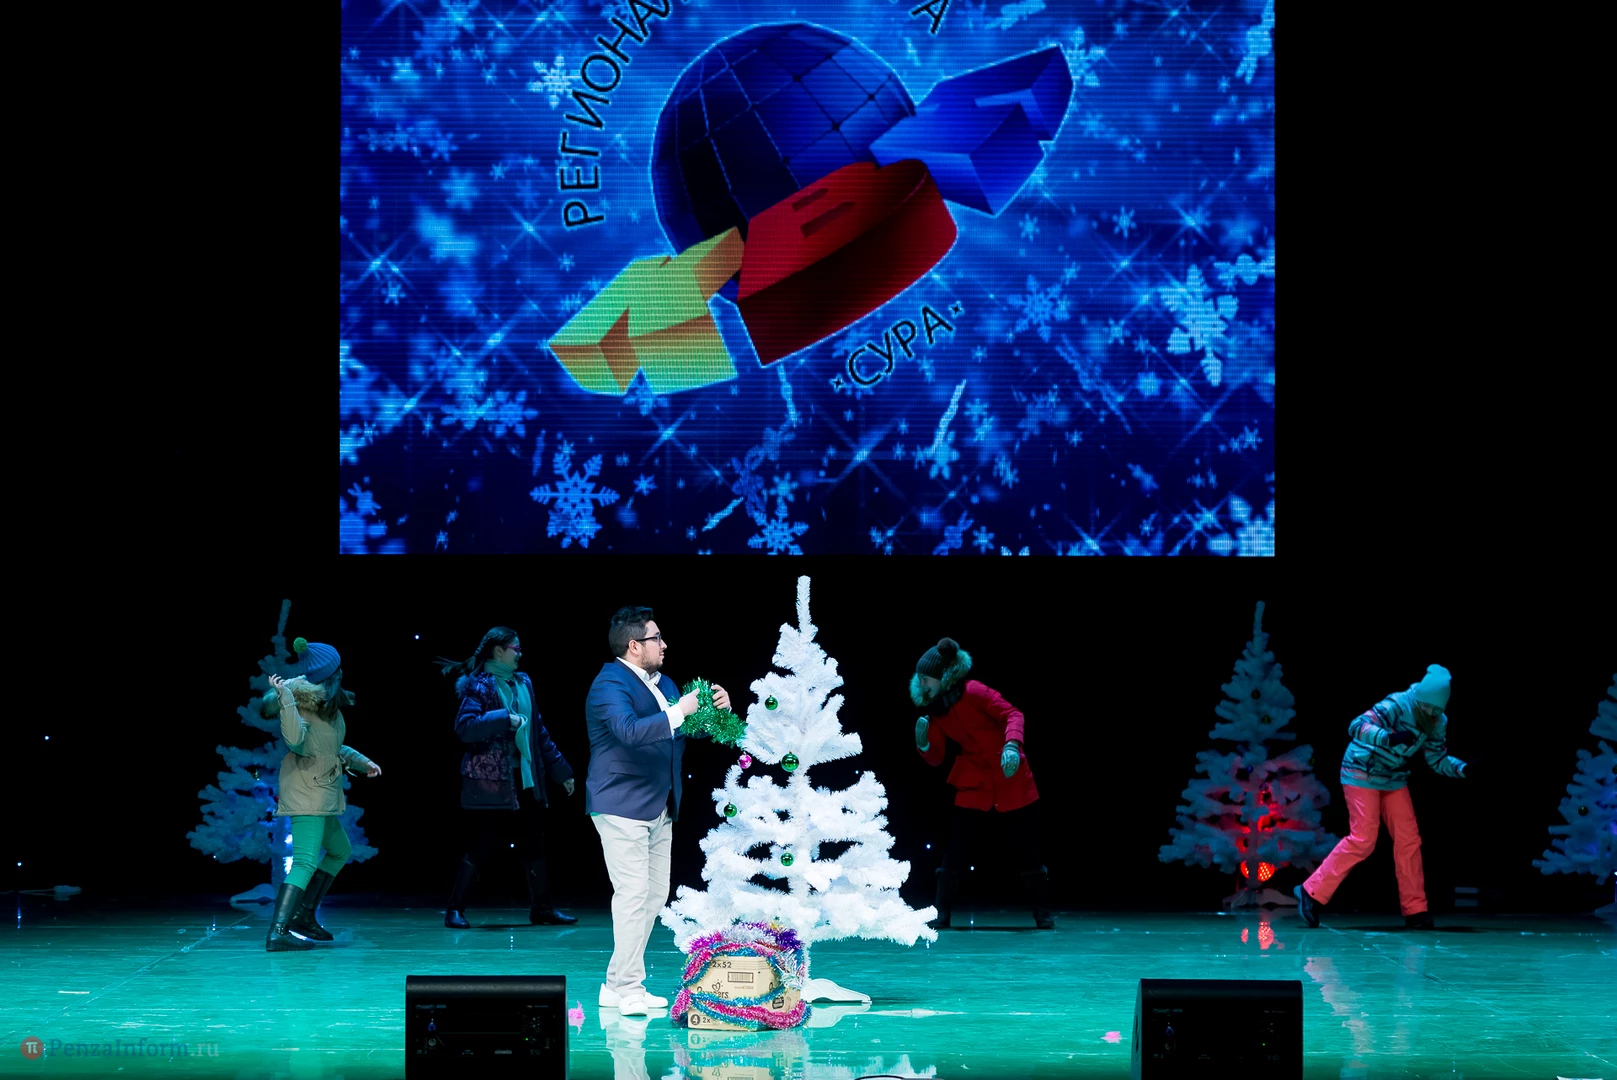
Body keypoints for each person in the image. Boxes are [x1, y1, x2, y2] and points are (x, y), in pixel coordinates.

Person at [585, 606, 732, 1017]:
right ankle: (631, 987)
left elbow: (678, 729)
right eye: (656, 638)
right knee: (633, 895)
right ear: (634, 646)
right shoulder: (609, 683)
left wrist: (713, 713)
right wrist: (680, 710)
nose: (664, 645)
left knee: (652, 896)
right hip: (620, 803)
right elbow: (630, 732)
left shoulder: (663, 683)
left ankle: (616, 984)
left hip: (659, 804)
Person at [1295, 664, 1470, 930]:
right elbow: (1356, 726)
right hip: (1361, 770)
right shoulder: (1398, 704)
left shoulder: (1438, 721)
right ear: (1420, 698)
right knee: (1364, 839)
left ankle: (1416, 910)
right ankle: (1310, 891)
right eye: (1427, 707)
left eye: (1436, 710)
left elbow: (1437, 758)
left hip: (1392, 777)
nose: (1430, 714)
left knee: (1409, 839)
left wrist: (1462, 769)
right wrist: (1388, 737)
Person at [439, 627, 577, 928]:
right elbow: (465, 727)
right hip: (491, 782)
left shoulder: (523, 682)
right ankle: (454, 910)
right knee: (481, 845)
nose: (520, 653)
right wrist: (504, 718)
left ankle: (542, 909)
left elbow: (539, 732)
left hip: (524, 779)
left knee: (535, 843)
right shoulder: (480, 685)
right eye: (515, 648)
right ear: (498, 651)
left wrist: (562, 772)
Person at [911, 637, 1052, 930]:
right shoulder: (937, 709)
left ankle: (1042, 913)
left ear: (942, 676)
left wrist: (1012, 745)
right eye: (920, 679)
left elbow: (1013, 714)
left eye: (926, 678)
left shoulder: (974, 691)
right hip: (973, 781)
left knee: (1027, 849)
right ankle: (942, 914)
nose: (921, 684)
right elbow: (937, 758)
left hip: (1009, 774)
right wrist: (923, 744)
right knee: (955, 849)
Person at [266, 641, 381, 952]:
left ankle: (303, 916)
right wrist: (286, 700)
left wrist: (362, 762)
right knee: (304, 862)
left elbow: (332, 748)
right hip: (307, 793)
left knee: (340, 850)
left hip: (323, 792)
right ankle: (278, 932)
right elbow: (295, 740)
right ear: (331, 675)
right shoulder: (300, 702)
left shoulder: (329, 707)